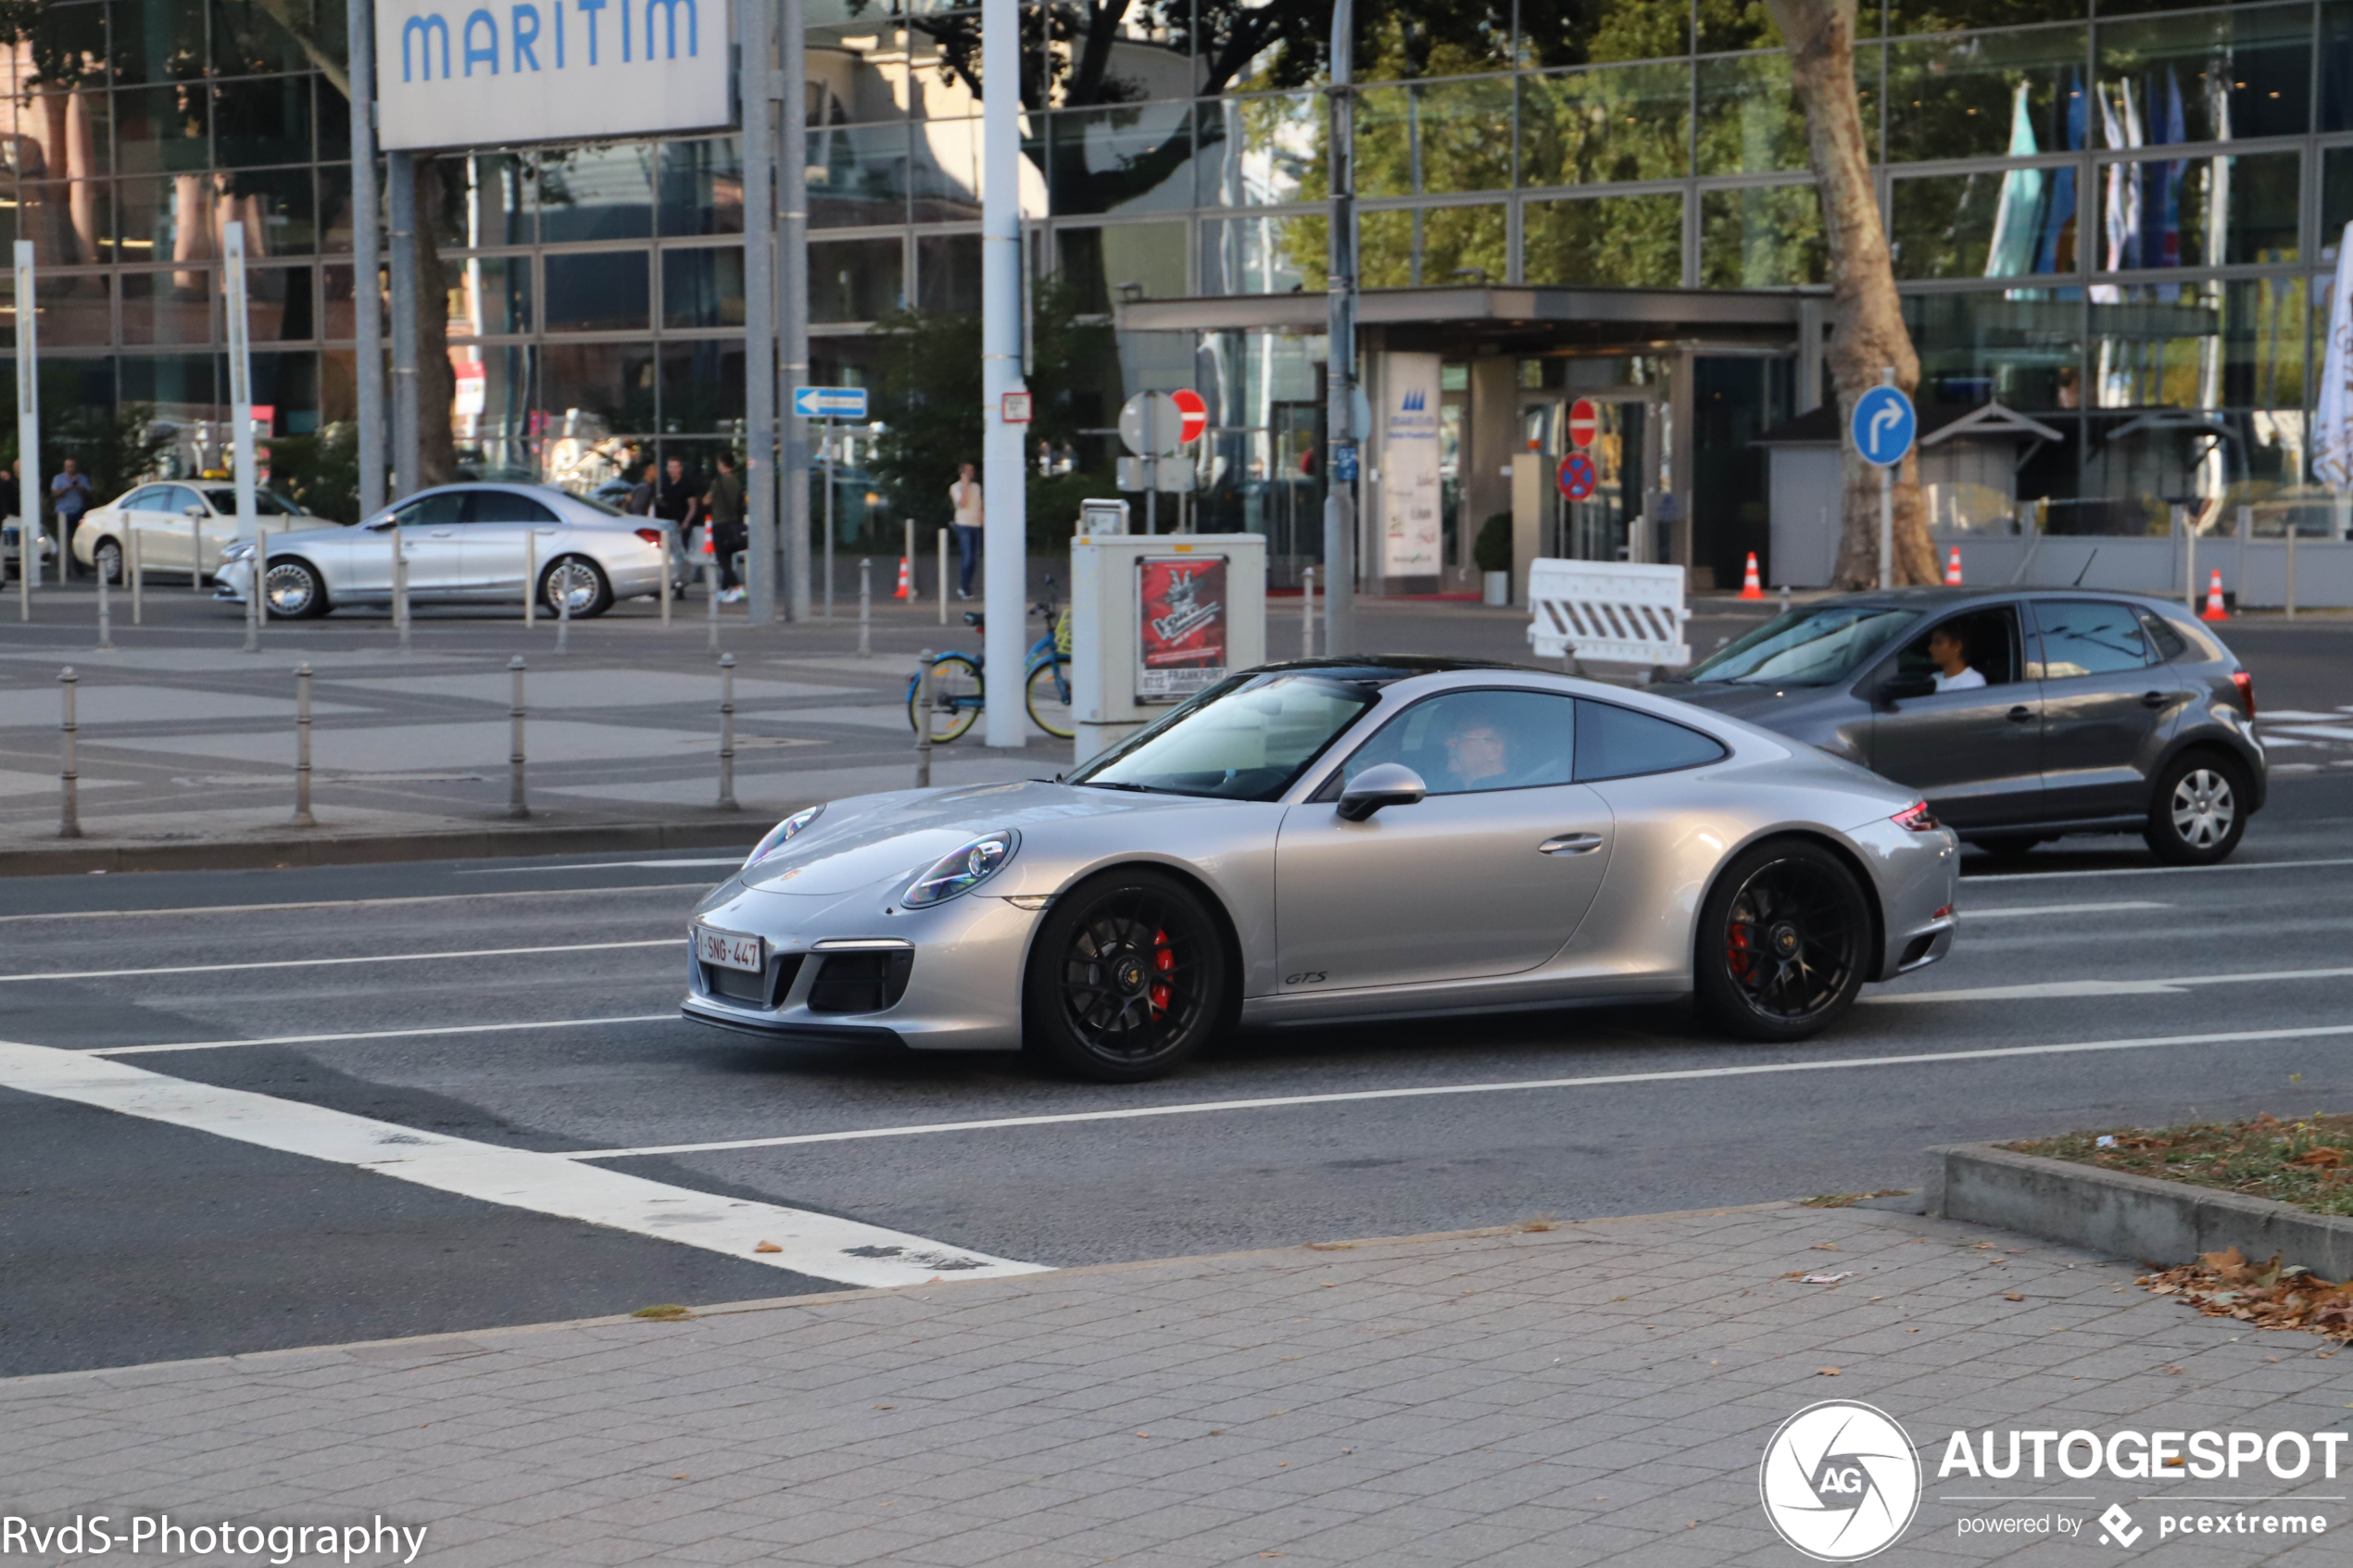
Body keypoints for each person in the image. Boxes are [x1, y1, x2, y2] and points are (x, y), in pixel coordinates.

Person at [706, 451, 747, 604]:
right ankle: (724, 590)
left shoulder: (718, 481)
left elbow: (707, 500)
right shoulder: (736, 481)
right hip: (734, 524)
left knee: (722, 558)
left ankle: (737, 587)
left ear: (722, 464)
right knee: (727, 556)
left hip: (719, 524)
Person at [51, 458, 91, 577]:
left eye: (72, 466)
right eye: (68, 466)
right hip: (63, 513)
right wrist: (67, 488)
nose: (70, 468)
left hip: (78, 511)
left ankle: (79, 568)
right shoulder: (58, 478)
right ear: (64, 467)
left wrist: (80, 487)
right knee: (63, 541)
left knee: (78, 541)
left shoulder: (82, 478)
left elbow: (90, 492)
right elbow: (54, 493)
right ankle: (64, 568)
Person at [950, 461, 982, 599]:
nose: (971, 473)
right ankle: (964, 587)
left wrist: (983, 523)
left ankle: (968, 586)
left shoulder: (976, 487)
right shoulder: (955, 487)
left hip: (976, 524)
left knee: (974, 558)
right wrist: (965, 486)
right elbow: (962, 503)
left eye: (972, 470)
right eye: (968, 470)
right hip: (963, 524)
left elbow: (980, 506)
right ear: (962, 472)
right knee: (967, 556)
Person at [1928, 624, 1985, 693]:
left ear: (1957, 646)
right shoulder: (1934, 679)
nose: (1930, 648)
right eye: (1932, 642)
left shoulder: (1973, 681)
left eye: (1938, 642)